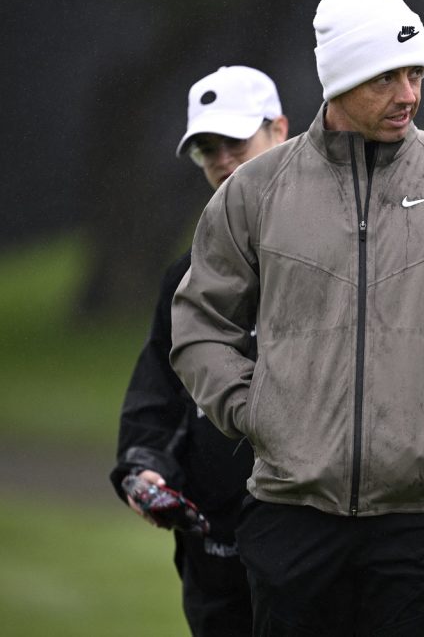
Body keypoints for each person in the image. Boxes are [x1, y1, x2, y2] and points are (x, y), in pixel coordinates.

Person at [169, 0, 424, 636]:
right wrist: (249, 408)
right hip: (290, 511)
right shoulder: (254, 192)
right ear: (337, 81)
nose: (408, 94)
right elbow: (200, 324)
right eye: (385, 77)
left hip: (422, 517)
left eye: (415, 73)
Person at [110, 65, 288, 637]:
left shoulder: (337, 257)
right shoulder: (184, 278)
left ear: (279, 132)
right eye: (207, 148)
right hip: (214, 551)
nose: (221, 159)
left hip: (312, 545)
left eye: (235, 140)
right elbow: (158, 397)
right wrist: (144, 469)